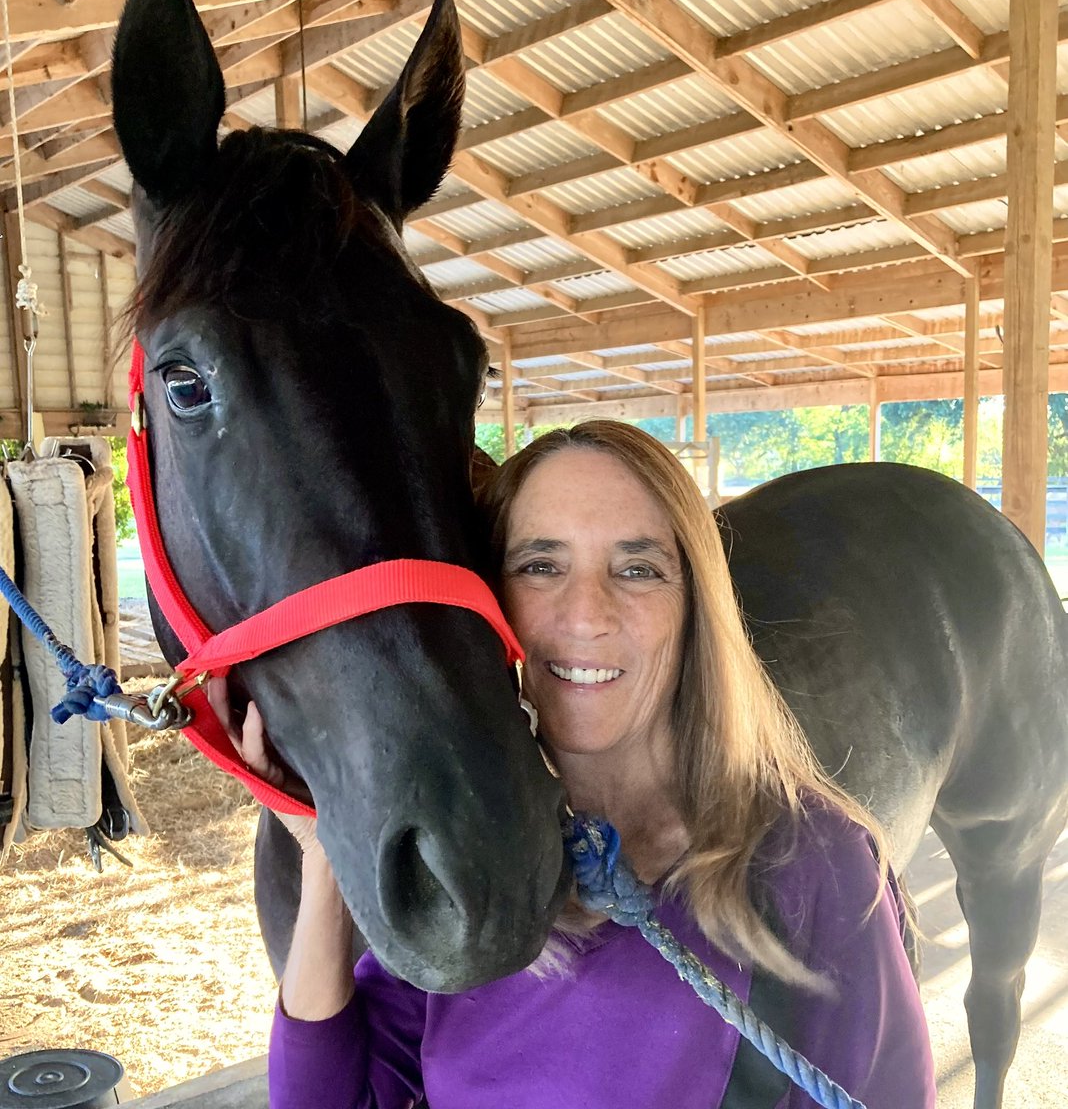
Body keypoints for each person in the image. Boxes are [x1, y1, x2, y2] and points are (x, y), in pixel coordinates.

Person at [211, 420, 936, 1109]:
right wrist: (323, 852)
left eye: (637, 568)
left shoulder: (814, 863)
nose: (585, 613)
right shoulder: (475, 854)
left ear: (694, 607)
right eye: (540, 564)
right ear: (493, 603)